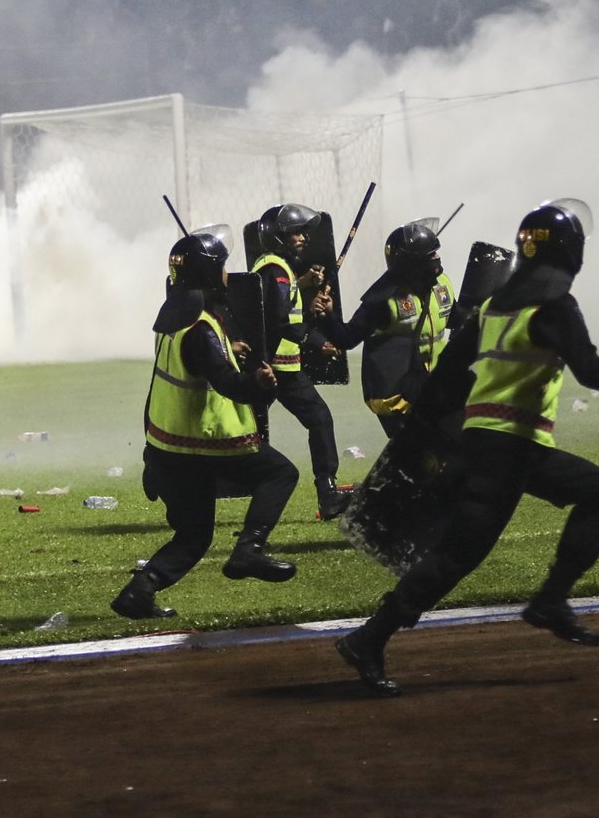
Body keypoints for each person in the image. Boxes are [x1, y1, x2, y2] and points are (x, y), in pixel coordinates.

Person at [334, 200, 599, 696]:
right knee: (472, 550)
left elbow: (443, 381)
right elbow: (592, 370)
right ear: (571, 252)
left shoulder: (492, 307)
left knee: (487, 542)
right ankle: (378, 636)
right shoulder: (554, 306)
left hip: (487, 443)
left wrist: (422, 441)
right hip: (510, 451)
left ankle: (377, 636)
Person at [112, 226, 299, 619]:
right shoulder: (202, 328)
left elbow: (185, 367)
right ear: (211, 274)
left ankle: (138, 592)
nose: (229, 274)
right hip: (209, 443)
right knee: (281, 473)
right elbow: (229, 385)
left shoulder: (173, 319)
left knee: (194, 535)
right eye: (224, 267)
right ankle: (250, 549)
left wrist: (227, 348)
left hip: (168, 448)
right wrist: (260, 384)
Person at [250, 203, 347, 518]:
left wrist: (307, 302)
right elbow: (280, 322)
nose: (303, 236)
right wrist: (318, 342)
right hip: (274, 368)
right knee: (249, 436)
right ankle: (326, 492)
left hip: (283, 368)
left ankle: (328, 493)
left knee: (317, 419)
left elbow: (280, 315)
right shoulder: (275, 270)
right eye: (295, 232)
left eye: (304, 231)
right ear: (278, 236)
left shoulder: (278, 269)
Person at [318, 218, 457, 437]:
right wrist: (326, 317)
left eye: (436, 252)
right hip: (397, 393)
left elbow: (457, 320)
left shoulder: (443, 285)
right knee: (417, 453)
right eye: (430, 255)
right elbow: (347, 338)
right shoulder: (383, 299)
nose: (437, 258)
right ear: (412, 263)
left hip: (432, 386)